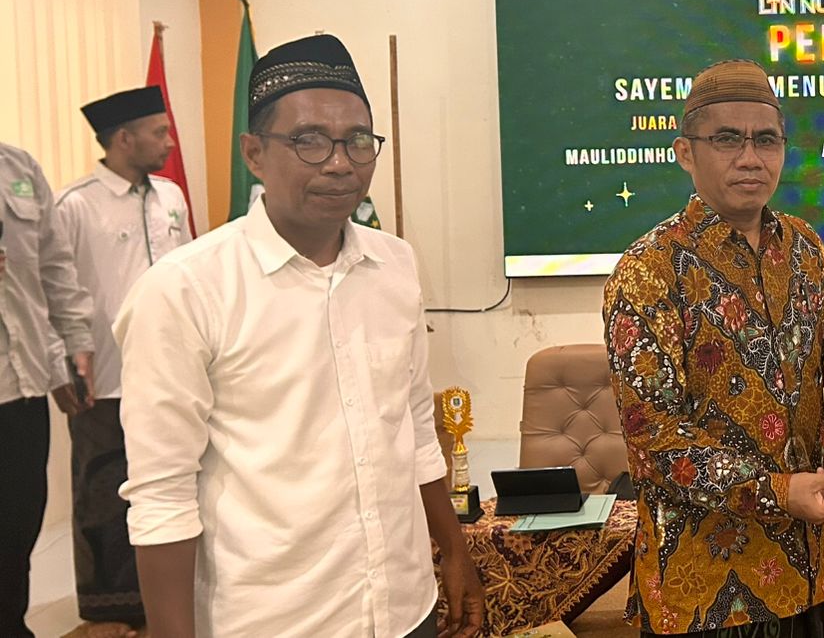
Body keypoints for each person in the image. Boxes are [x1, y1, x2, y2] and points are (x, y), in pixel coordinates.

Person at [116, 34, 484, 638]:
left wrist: (454, 550)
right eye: (309, 140)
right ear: (254, 153)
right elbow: (162, 494)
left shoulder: (394, 265)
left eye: (358, 140)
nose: (340, 163)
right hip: (274, 620)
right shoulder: (185, 290)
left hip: (404, 606)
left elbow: (415, 424)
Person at [603, 59, 824, 637]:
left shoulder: (804, 247)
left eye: (765, 140)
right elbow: (654, 438)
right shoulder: (649, 270)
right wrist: (777, 492)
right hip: (703, 592)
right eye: (726, 139)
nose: (750, 158)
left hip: (805, 572)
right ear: (685, 153)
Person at [55, 85, 193, 636]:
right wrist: (67, 360)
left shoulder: (171, 197)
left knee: (174, 483)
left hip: (174, 373)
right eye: (159, 132)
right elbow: (56, 288)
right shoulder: (75, 205)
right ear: (123, 138)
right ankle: (107, 609)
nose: (169, 141)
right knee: (102, 488)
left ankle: (174, 598)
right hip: (105, 377)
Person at [0, 142, 96, 638]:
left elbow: (53, 266)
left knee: (17, 527)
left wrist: (72, 349)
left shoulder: (17, 167)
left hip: (22, 385)